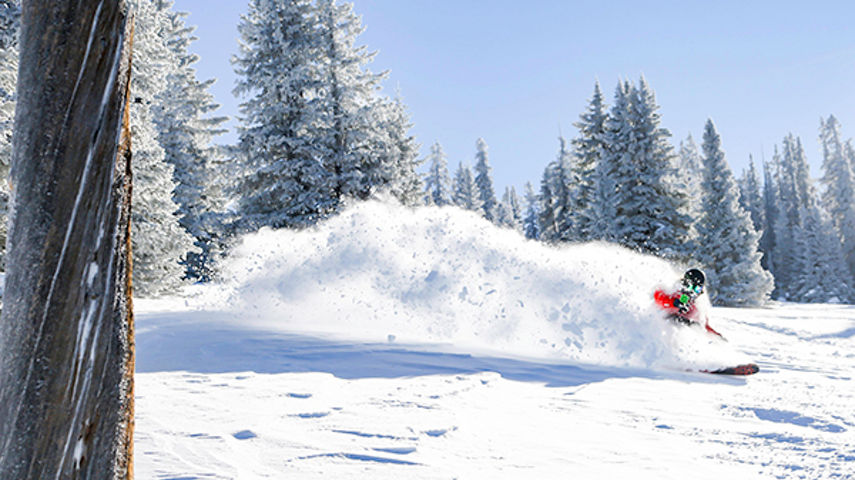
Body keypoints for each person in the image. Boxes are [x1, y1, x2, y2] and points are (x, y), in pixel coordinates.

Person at [653, 268, 723, 338]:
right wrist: (674, 302)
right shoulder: (674, 290)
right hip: (660, 325)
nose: (693, 292)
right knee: (677, 319)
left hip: (678, 334)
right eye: (690, 287)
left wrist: (716, 336)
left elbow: (704, 326)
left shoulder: (696, 304)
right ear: (685, 284)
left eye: (697, 290)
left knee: (695, 325)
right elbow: (658, 296)